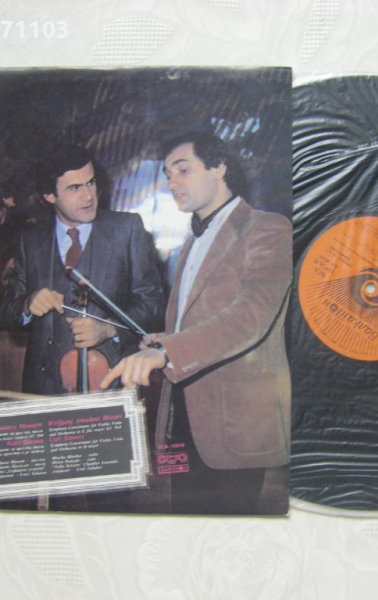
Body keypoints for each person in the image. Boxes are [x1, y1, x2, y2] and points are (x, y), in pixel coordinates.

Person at [101, 132, 292, 514]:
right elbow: (203, 317)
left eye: (183, 170)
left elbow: (250, 316)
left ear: (218, 168)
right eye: (167, 174)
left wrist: (166, 351)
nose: (171, 183)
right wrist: (165, 338)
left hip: (236, 421)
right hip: (184, 414)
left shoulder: (269, 228)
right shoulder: (192, 239)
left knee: (228, 536)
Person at [0, 143, 164, 396]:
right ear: (49, 196)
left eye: (91, 183)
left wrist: (109, 329)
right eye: (74, 188)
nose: (88, 196)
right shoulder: (29, 239)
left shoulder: (127, 229)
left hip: (112, 383)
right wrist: (27, 305)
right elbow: (6, 313)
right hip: (44, 389)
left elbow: (152, 304)